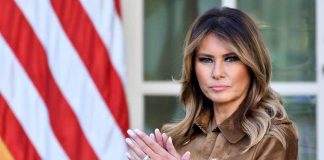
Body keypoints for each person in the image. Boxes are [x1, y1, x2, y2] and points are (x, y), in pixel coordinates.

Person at [125, 7, 298, 160]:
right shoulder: (174, 137)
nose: (217, 73)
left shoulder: (274, 138)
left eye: (231, 58)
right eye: (206, 60)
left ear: (252, 65)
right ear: (192, 67)